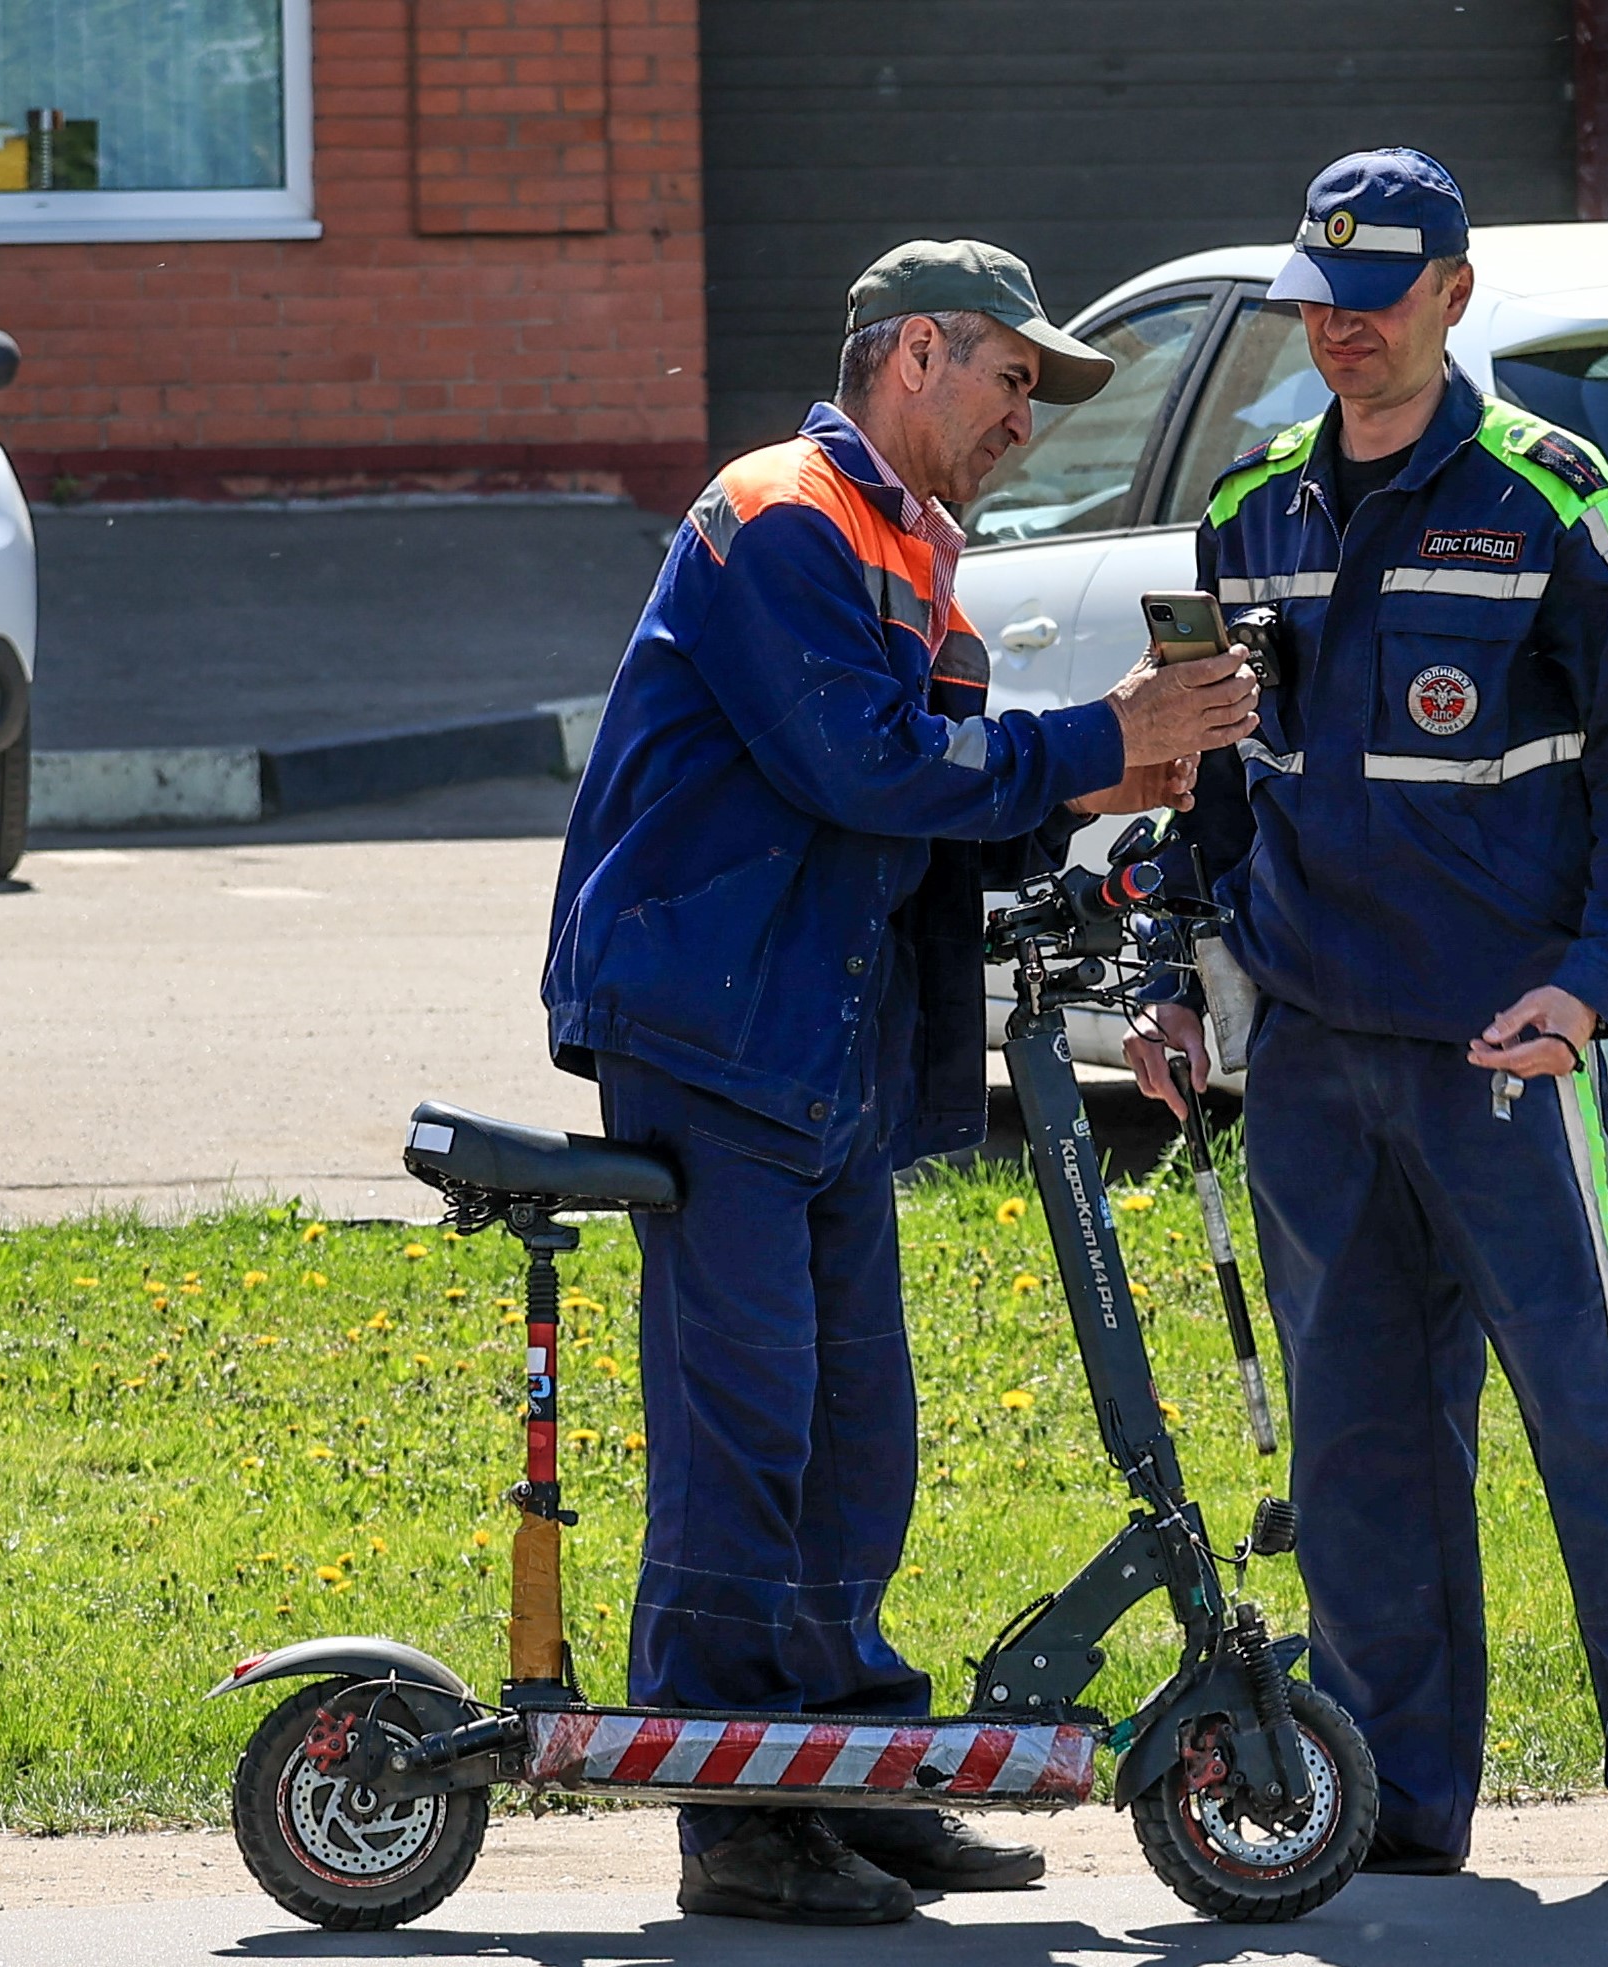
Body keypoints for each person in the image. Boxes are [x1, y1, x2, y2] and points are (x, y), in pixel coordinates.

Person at [545, 239, 1258, 1926]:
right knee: (753, 1416)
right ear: (916, 353)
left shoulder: (909, 543)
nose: (1030, 422)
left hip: (819, 1039)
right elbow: (862, 765)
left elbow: (929, 801)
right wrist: (1096, 737)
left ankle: (854, 1764)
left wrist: (1097, 792)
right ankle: (735, 1806)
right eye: (1018, 381)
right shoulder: (786, 512)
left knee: (857, 1420)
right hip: (719, 1031)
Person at [1122, 150, 1608, 1889]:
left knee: (1590, 1423)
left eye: (1377, 296)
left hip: (1507, 1052)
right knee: (1357, 1456)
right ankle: (1394, 1802)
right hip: (1316, 1058)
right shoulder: (1250, 513)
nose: (1341, 330)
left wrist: (1598, 977)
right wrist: (1183, 976)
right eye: (1318, 300)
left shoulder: (1554, 496)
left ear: (1454, 297)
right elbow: (1212, 784)